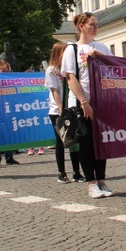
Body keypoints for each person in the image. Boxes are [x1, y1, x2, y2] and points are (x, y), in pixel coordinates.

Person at [61, 12, 114, 199]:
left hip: (101, 102)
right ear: (81, 26)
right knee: (87, 144)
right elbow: (71, 77)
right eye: (92, 24)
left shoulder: (102, 47)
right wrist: (83, 101)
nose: (96, 28)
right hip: (82, 103)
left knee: (101, 143)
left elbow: (113, 67)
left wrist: (100, 56)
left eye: (96, 24)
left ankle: (101, 180)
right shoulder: (72, 50)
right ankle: (91, 182)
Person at [45, 42, 84, 183]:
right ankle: (61, 172)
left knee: (74, 142)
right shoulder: (51, 70)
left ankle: (76, 172)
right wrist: (62, 110)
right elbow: (55, 91)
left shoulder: (67, 68)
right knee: (61, 142)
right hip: (57, 111)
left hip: (71, 108)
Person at [0, 60, 20, 167]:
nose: (5, 73)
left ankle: (9, 157)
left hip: (8, 109)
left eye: (7, 71)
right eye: (3, 71)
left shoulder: (10, 80)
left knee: (8, 134)